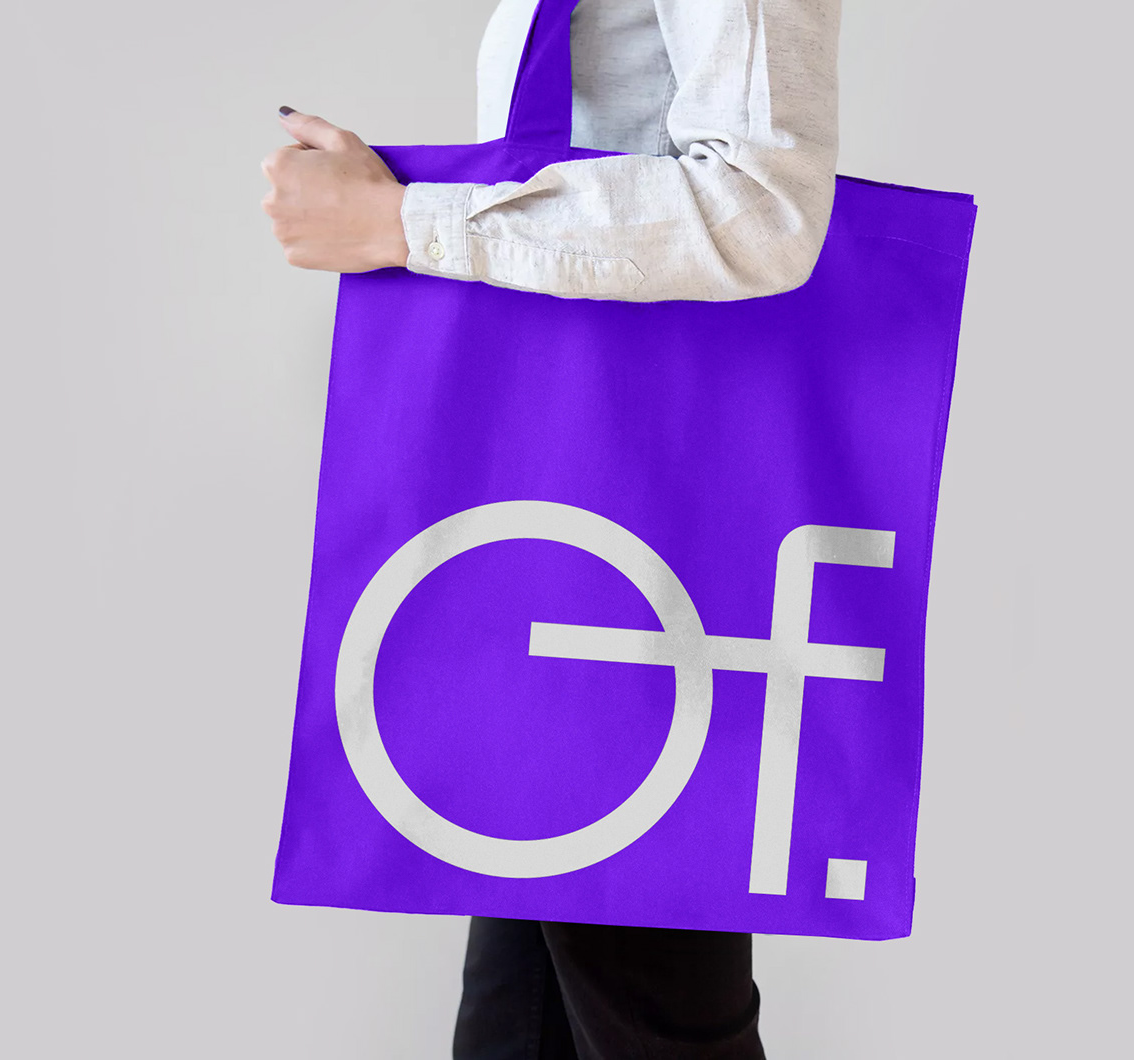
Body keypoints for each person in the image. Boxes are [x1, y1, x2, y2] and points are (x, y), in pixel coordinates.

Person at [262, 0, 840, 1054]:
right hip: (569, 516)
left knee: (643, 1001)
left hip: (630, 523)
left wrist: (407, 224)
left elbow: (763, 210)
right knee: (518, 1015)